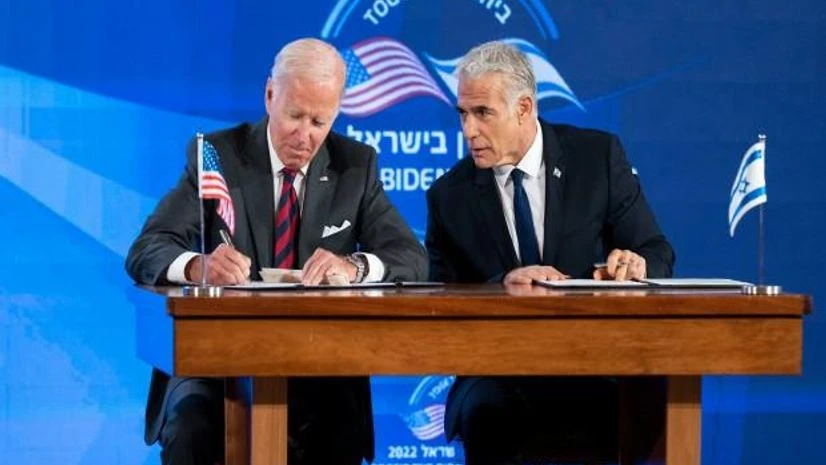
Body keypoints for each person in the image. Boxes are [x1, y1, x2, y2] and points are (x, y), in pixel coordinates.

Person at [126, 37, 427, 465]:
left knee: (338, 426)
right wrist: (198, 266)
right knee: (193, 425)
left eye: (319, 121)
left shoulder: (355, 166)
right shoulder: (216, 156)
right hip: (217, 361)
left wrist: (354, 265)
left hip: (317, 362)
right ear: (270, 96)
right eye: (295, 116)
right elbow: (146, 250)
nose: (305, 136)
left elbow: (410, 256)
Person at [425, 41, 675, 465]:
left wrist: (637, 264)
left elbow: (657, 250)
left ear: (524, 109)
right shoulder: (449, 195)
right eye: (462, 114)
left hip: (594, 363)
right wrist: (499, 288)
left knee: (628, 406)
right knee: (486, 412)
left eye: (483, 113)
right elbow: (437, 295)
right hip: (497, 371)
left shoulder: (597, 159)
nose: (468, 130)